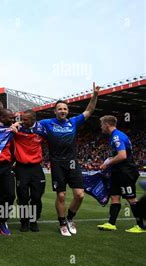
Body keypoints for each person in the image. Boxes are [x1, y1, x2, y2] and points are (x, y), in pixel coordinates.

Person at [38, 83, 100, 236]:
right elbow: (31, 122)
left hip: (72, 162)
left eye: (65, 109)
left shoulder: (73, 122)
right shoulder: (47, 123)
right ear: (55, 111)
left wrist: (95, 96)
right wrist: (18, 122)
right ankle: (62, 223)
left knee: (79, 194)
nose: (62, 111)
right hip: (57, 162)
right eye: (60, 109)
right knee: (61, 195)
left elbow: (89, 111)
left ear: (68, 111)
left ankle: (70, 219)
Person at [97, 115, 144, 233]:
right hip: (118, 172)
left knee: (131, 198)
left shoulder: (117, 136)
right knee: (115, 197)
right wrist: (109, 160)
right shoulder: (115, 136)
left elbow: (123, 155)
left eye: (102, 124)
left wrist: (107, 163)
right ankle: (111, 223)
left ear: (107, 124)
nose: (101, 127)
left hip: (126, 172)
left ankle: (141, 226)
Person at [11, 110, 46, 232]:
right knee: (23, 197)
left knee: (36, 196)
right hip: (21, 167)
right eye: (22, 119)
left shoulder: (41, 129)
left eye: (25, 119)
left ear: (33, 120)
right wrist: (14, 126)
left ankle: (34, 220)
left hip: (36, 167)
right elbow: (7, 129)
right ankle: (24, 222)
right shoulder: (17, 129)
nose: (22, 121)